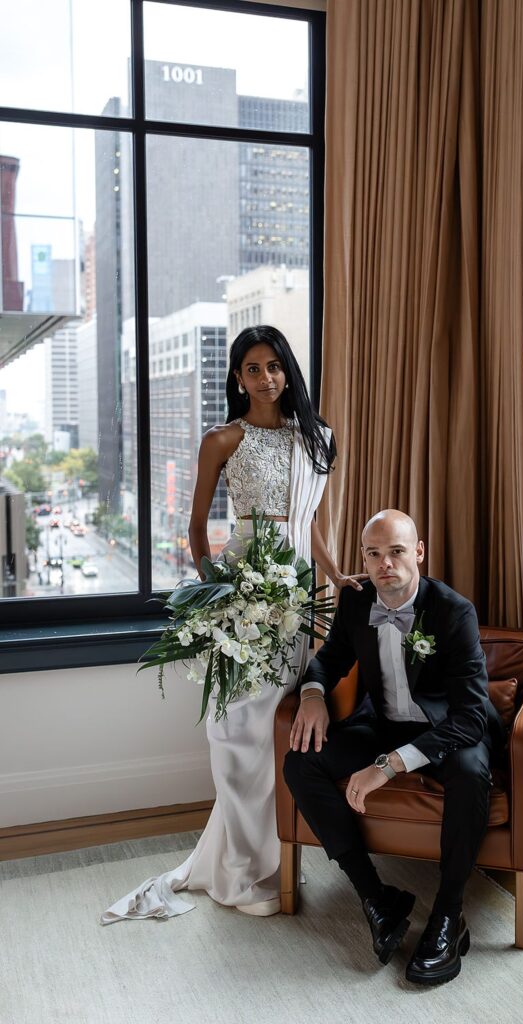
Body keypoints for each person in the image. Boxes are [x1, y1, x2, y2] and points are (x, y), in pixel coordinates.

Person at [101, 325, 365, 925]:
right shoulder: (223, 439)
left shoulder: (317, 437)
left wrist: (337, 573)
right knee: (241, 735)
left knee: (287, 731)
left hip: (300, 601)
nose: (265, 377)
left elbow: (309, 522)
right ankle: (242, 868)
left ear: (287, 369)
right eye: (252, 368)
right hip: (246, 597)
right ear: (237, 377)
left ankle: (279, 859)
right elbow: (197, 528)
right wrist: (216, 594)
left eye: (274, 365)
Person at [283, 509, 505, 985]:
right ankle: (376, 897)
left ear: (419, 552)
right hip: (382, 725)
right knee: (301, 762)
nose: (385, 564)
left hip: (447, 734)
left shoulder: (452, 610)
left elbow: (469, 716)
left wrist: (386, 767)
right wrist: (313, 696)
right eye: (374, 553)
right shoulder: (356, 600)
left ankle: (448, 915)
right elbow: (327, 662)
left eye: (397, 551)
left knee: (470, 775)